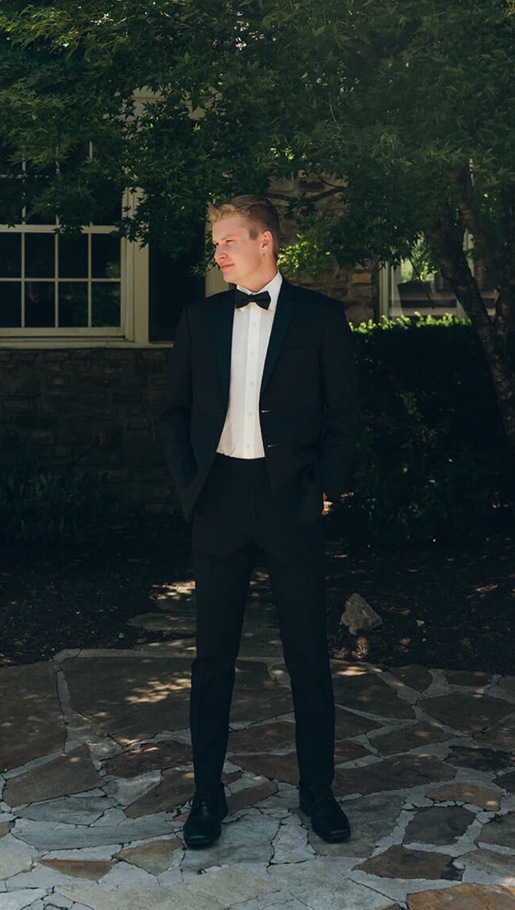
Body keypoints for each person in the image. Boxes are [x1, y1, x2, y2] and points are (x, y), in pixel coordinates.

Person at [157, 197, 361, 848]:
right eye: (214, 244)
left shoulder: (323, 319)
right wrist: (192, 485)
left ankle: (319, 794)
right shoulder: (199, 319)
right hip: (219, 498)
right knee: (212, 658)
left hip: (289, 501)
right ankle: (206, 796)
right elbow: (172, 413)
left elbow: (346, 417)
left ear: (264, 241)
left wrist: (325, 488)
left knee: (308, 657)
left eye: (227, 242)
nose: (217, 254)